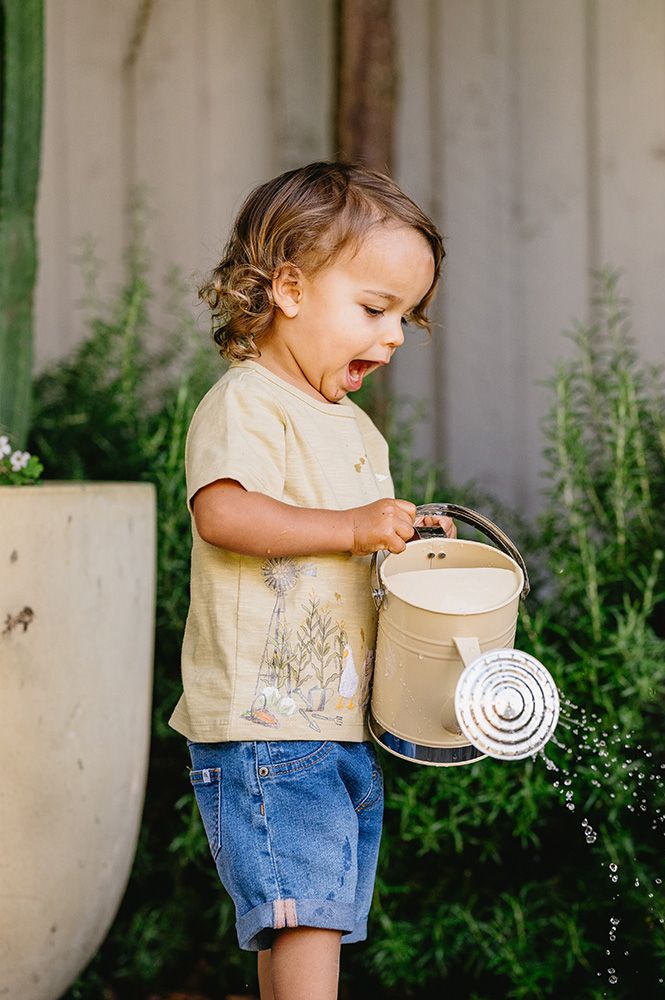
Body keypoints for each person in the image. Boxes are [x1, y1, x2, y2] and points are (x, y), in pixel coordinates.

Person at [168, 161, 452, 1000]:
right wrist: (355, 527)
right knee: (309, 918)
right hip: (267, 725)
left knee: (308, 909)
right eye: (374, 308)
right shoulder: (247, 404)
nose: (394, 334)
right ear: (288, 287)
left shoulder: (355, 427)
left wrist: (398, 548)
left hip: (330, 721)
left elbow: (347, 554)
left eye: (407, 316)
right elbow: (224, 513)